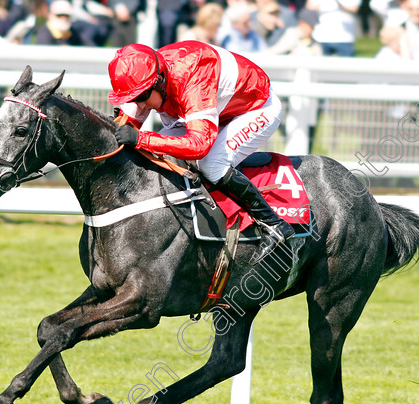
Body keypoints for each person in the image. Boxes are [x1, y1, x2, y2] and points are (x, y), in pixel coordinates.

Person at [107, 41, 295, 263]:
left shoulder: (193, 79)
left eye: (140, 97)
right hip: (220, 106)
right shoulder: (150, 77)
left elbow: (199, 145)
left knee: (211, 164)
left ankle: (273, 224)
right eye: (131, 98)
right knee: (159, 150)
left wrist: (141, 138)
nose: (137, 104)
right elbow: (129, 122)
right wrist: (126, 126)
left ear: (159, 81)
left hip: (256, 108)